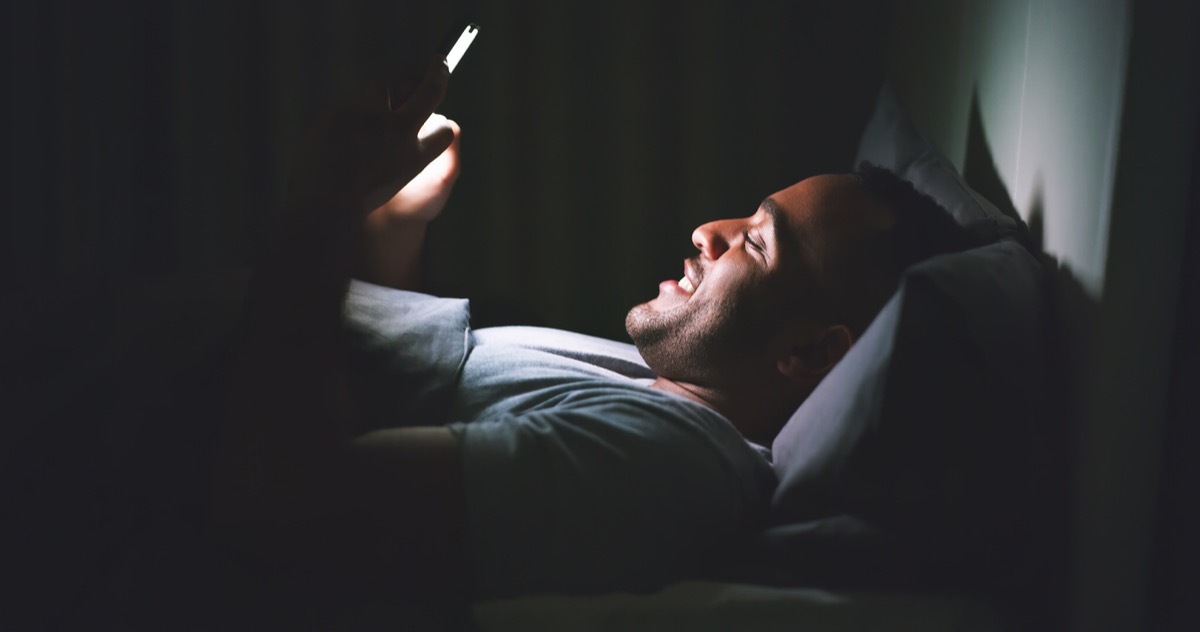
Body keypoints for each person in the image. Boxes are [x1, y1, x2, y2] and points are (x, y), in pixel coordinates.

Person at [208, 58, 977, 602]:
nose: (710, 230)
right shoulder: (667, 395)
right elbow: (402, 384)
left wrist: (321, 206)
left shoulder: (666, 466)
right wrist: (399, 227)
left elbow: (286, 503)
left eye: (755, 241)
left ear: (807, 352)